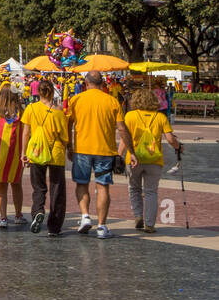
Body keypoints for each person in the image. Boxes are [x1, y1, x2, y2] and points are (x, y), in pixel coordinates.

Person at [65, 70, 127, 239]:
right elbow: (121, 128)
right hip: (105, 151)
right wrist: (129, 151)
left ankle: (85, 216)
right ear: (102, 84)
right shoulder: (112, 101)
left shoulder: (76, 100)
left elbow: (68, 124)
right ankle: (101, 226)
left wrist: (69, 146)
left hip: (82, 150)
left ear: (86, 83)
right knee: (103, 187)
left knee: (81, 184)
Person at [123, 88, 182, 234]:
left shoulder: (130, 116)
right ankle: (149, 223)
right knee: (151, 191)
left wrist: (119, 156)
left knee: (134, 188)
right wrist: (179, 147)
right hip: (154, 159)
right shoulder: (160, 117)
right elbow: (170, 139)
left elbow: (125, 139)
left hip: (133, 158)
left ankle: (138, 216)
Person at [20, 79, 70, 237]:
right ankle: (54, 226)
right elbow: (64, 138)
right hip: (55, 153)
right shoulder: (59, 112)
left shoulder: (31, 108)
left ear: (38, 92)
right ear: (52, 92)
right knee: (57, 190)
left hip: (36, 151)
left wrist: (24, 153)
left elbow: (26, 132)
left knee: (38, 187)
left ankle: (38, 212)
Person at [0, 87, 26, 228]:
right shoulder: (20, 113)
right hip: (15, 155)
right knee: (16, 184)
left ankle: (3, 218)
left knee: (1, 186)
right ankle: (18, 215)